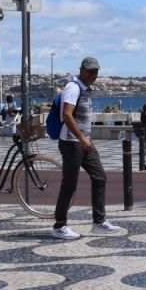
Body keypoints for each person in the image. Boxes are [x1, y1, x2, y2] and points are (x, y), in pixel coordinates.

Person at [52, 56, 118, 239]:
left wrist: (85, 139)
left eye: (95, 71)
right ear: (81, 70)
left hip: (83, 142)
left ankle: (99, 222)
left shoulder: (86, 90)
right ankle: (59, 226)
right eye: (89, 71)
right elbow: (67, 115)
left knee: (100, 177)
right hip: (72, 143)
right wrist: (82, 138)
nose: (93, 75)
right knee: (69, 185)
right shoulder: (73, 88)